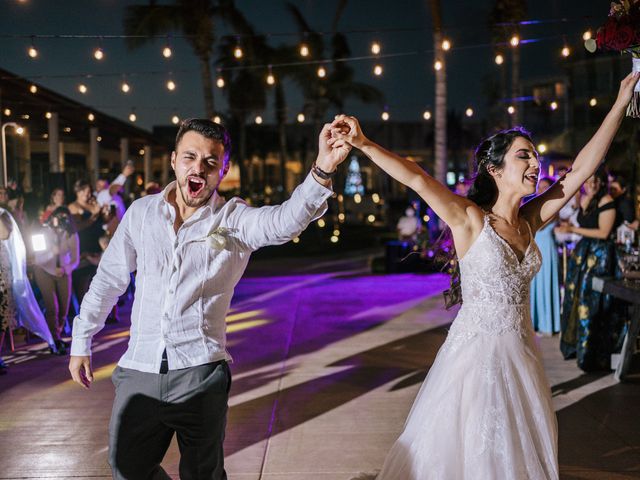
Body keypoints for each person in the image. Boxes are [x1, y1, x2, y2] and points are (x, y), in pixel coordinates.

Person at [328, 72, 639, 479]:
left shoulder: (531, 220)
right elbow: (416, 178)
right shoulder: (470, 219)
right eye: (523, 155)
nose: (535, 162)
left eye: (534, 154)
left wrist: (620, 102)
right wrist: (363, 143)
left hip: (523, 360)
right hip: (475, 364)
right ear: (495, 168)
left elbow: (581, 168)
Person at [68, 118, 350, 479]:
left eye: (210, 162)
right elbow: (109, 279)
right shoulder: (140, 213)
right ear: (173, 160)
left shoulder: (232, 219)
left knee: (204, 475)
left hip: (200, 372)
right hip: (139, 367)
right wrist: (82, 340)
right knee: (126, 466)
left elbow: (283, 222)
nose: (198, 168)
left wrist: (323, 168)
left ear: (223, 170)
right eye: (189, 157)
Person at [556, 167, 625, 371]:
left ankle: (593, 354)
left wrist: (572, 229)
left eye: (596, 180)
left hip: (600, 257)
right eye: (589, 180)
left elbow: (603, 233)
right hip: (583, 255)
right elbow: (577, 217)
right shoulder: (587, 199)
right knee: (574, 298)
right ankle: (577, 347)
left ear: (602, 182)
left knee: (592, 303)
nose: (592, 183)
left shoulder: (607, 202)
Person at [33, 207, 79, 355]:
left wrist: (67, 268)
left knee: (64, 308)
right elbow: (38, 259)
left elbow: (75, 259)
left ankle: (57, 333)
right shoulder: (41, 233)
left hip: (63, 271)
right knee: (53, 307)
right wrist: (52, 253)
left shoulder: (71, 234)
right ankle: (54, 339)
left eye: (65, 217)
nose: (61, 220)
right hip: (44, 271)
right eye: (58, 217)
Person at [68, 180, 112, 305]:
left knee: (99, 282)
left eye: (89, 192)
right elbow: (77, 227)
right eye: (86, 192)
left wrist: (104, 214)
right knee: (84, 283)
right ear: (79, 192)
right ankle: (84, 314)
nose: (89, 195)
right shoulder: (73, 207)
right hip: (84, 245)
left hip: (97, 244)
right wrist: (94, 216)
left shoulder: (93, 204)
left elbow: (103, 222)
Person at [530, 177, 561, 334]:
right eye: (540, 187)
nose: (541, 189)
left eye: (545, 187)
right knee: (534, 285)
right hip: (533, 247)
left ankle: (548, 324)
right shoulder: (532, 205)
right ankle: (534, 322)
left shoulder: (554, 206)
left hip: (547, 250)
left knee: (546, 283)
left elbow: (539, 226)